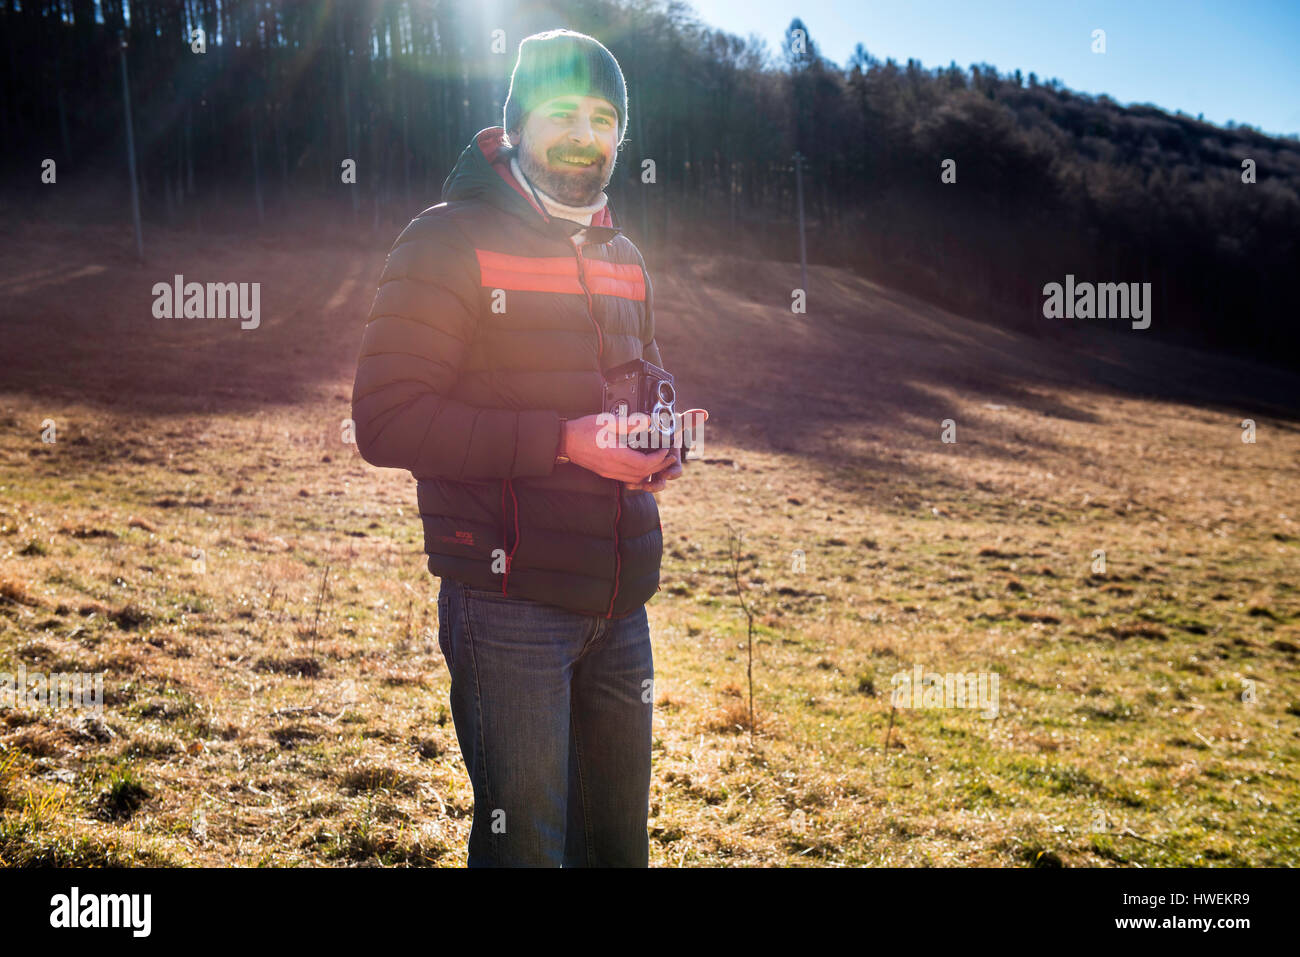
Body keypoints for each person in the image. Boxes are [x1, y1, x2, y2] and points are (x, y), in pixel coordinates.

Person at [350, 28, 706, 866]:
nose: (584, 134)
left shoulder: (622, 253)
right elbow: (387, 418)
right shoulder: (445, 239)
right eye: (561, 112)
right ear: (515, 124)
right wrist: (567, 443)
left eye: (604, 117)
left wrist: (660, 435)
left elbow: (639, 371)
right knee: (527, 850)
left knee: (615, 848)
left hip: (621, 603)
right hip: (507, 602)